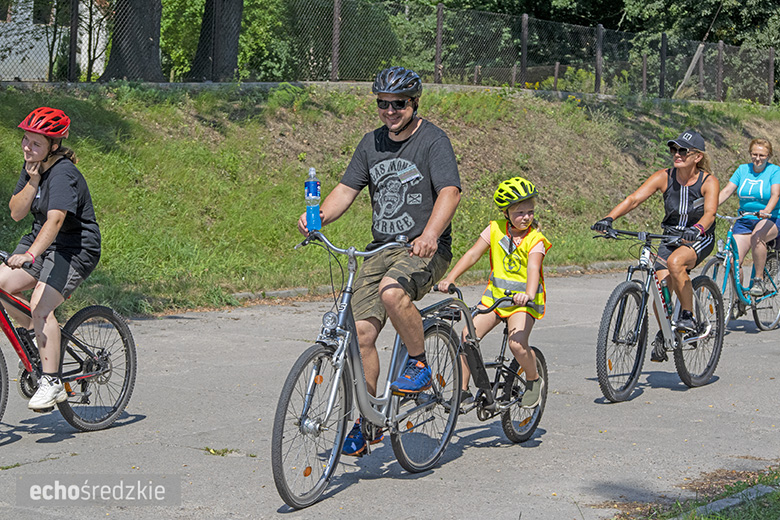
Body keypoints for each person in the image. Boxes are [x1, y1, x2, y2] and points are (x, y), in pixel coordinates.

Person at [297, 66, 461, 456]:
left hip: (424, 249)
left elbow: (450, 192)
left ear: (414, 103)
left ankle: (419, 365)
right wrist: (317, 219)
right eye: (383, 104)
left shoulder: (433, 141)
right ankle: (368, 422)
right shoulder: (371, 143)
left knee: (391, 293)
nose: (390, 111)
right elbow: (345, 190)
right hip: (380, 249)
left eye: (398, 104)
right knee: (360, 334)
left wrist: (430, 234)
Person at [0, 107, 101, 410]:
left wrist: (30, 255)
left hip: (74, 247)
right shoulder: (33, 166)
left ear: (54, 145)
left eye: (36, 143)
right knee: (1, 285)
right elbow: (16, 212)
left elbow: (55, 221)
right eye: (25, 140)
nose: (27, 148)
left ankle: (52, 381)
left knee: (40, 307)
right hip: (41, 242)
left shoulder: (63, 174)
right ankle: (38, 339)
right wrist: (32, 182)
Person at [592, 130, 719, 362]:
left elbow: (710, 213)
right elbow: (634, 199)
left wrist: (697, 229)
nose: (677, 154)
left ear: (697, 156)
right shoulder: (664, 176)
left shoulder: (708, 181)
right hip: (670, 237)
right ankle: (665, 333)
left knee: (675, 263)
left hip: (699, 237)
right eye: (674, 149)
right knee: (661, 292)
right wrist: (608, 218)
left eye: (683, 151)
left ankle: (688, 316)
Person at [437, 177, 549, 408]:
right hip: (496, 298)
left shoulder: (535, 239)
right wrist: (451, 277)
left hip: (522, 303)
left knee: (517, 344)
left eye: (530, 211)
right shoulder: (495, 229)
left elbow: (533, 268)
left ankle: (533, 379)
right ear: (506, 213)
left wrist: (527, 294)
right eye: (520, 212)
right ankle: (463, 391)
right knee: (467, 337)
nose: (526, 217)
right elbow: (472, 254)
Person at [717, 138, 780, 297]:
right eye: (754, 154)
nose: (757, 158)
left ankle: (758, 280)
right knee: (733, 259)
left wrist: (767, 210)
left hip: (770, 218)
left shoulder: (775, 171)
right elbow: (727, 191)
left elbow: (775, 194)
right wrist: (710, 207)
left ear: (769, 156)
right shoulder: (742, 170)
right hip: (745, 219)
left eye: (762, 155)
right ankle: (739, 299)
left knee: (758, 236)